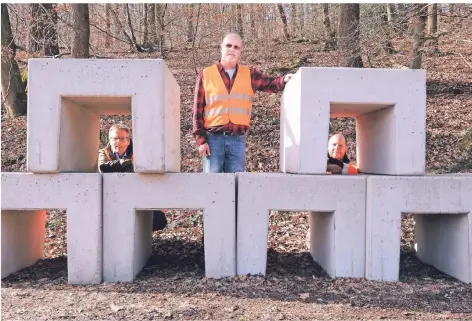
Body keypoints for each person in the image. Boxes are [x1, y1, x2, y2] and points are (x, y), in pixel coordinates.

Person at [192, 32, 295, 173]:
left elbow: (270, 84)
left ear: (240, 51)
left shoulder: (250, 74)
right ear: (221, 48)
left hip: (237, 141)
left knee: (237, 186)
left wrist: (284, 80)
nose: (232, 49)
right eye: (228, 45)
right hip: (212, 140)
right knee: (212, 187)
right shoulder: (205, 74)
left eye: (236, 47)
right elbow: (197, 111)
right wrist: (200, 140)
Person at [98, 124, 167, 231]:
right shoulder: (104, 152)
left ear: (128, 141)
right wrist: (128, 162)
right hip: (113, 196)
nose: (118, 142)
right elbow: (103, 167)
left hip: (138, 194)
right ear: (110, 140)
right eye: (115, 138)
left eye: (122, 139)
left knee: (158, 221)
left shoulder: (139, 152)